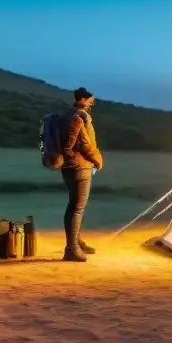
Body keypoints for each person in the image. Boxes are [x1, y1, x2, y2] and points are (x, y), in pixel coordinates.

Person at [60, 87, 104, 262]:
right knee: (77, 208)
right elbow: (83, 143)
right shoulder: (79, 117)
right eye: (90, 99)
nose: (93, 102)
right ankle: (72, 249)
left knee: (73, 205)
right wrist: (97, 159)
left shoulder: (65, 114)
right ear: (82, 99)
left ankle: (76, 241)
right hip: (79, 166)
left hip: (68, 166)